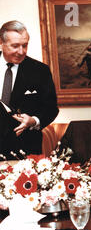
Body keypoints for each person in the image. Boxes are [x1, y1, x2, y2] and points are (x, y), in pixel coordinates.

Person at [0, 20, 58, 157]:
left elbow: (51, 108)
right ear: (1, 44)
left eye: (24, 46)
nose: (21, 52)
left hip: (24, 149)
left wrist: (34, 121)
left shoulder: (40, 71)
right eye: (15, 46)